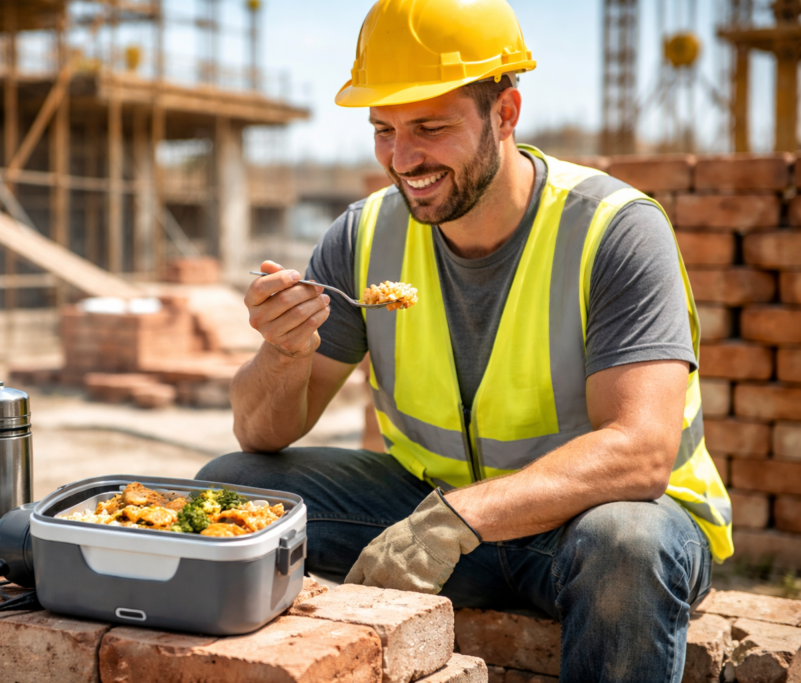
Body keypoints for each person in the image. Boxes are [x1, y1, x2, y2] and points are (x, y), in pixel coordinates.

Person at [197, 0, 732, 679]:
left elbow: (642, 450)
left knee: (627, 541)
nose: (404, 156)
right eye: (384, 129)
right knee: (233, 490)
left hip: (592, 527)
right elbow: (261, 434)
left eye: (430, 126)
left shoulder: (614, 230)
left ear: (505, 113)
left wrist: (457, 518)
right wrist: (284, 350)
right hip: (440, 507)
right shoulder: (364, 238)